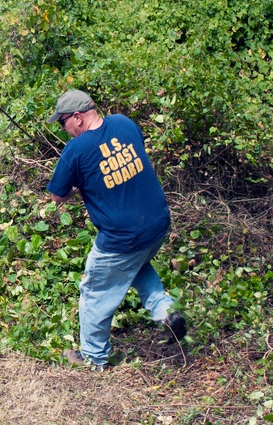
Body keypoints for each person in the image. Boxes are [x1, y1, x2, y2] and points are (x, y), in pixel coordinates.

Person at [46, 89, 186, 371]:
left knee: (94, 291)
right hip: (157, 223)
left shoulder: (75, 150)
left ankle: (93, 358)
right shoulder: (124, 123)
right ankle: (166, 312)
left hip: (122, 238)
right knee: (137, 266)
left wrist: (77, 187)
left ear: (77, 117)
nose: (63, 130)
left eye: (63, 123)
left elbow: (57, 196)